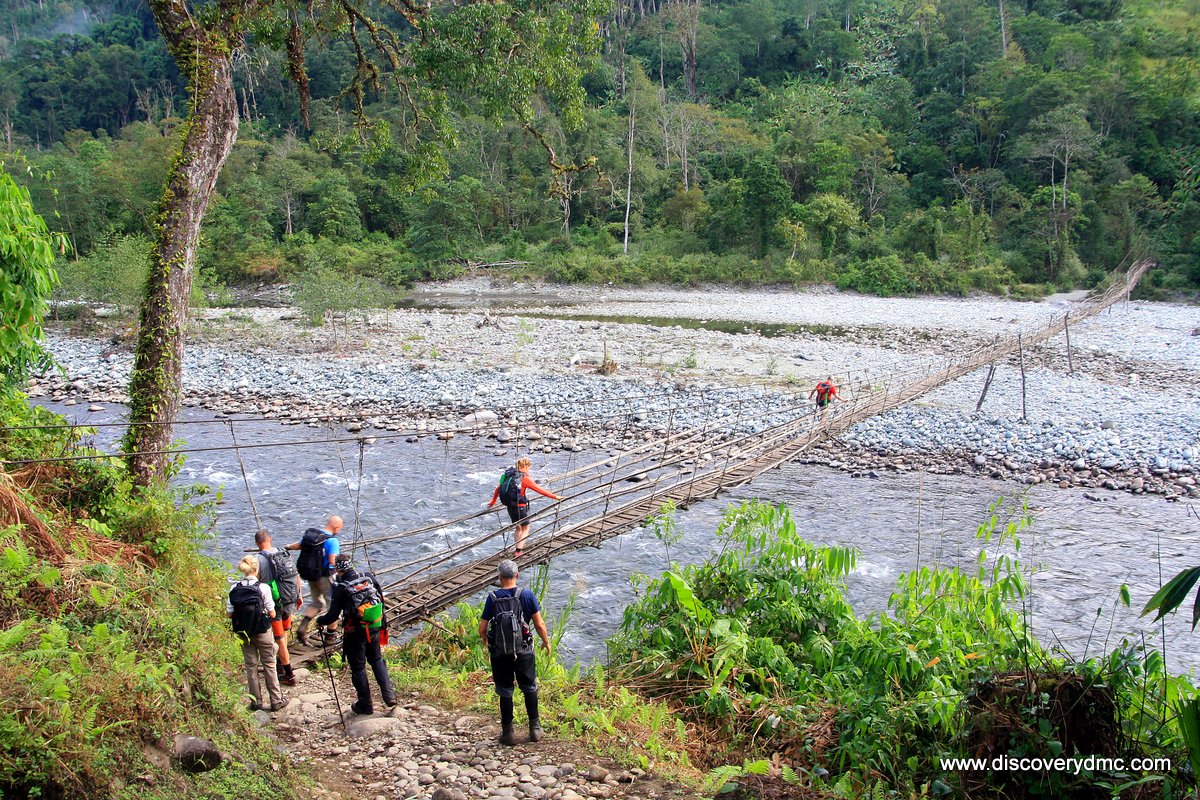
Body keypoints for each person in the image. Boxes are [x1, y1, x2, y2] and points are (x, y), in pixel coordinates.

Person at [477, 559, 551, 745]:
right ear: (517, 575)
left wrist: (486, 641)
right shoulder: (527, 595)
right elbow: (539, 624)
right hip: (524, 650)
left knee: (505, 690)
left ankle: (508, 732)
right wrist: (545, 642)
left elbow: (482, 627)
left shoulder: (493, 598)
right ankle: (534, 729)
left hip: (500, 652)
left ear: (499, 577)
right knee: (529, 687)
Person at [317, 555, 396, 715]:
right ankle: (389, 696)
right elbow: (380, 596)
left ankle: (365, 705)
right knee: (377, 660)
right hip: (374, 625)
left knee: (358, 667)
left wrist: (319, 620)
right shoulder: (368, 576)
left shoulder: (341, 588)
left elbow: (332, 616)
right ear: (351, 565)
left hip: (355, 633)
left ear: (338, 569)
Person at [227, 555, 288, 712]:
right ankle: (276, 700)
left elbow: (229, 613)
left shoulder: (234, 588)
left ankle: (256, 702)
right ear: (257, 569)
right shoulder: (263, 588)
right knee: (269, 664)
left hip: (243, 632)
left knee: (250, 666)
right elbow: (273, 614)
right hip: (262, 631)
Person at [255, 529, 303, 686]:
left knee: (279, 638)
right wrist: (299, 595)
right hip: (290, 598)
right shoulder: (283, 553)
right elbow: (296, 575)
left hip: (275, 603)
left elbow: (257, 582)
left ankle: (288, 674)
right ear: (270, 539)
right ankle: (282, 662)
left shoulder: (258, 560)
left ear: (257, 543)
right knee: (284, 632)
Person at [488, 456, 562, 557]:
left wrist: (493, 501)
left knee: (518, 528)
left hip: (510, 506)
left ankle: (516, 548)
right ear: (526, 466)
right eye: (529, 467)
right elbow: (539, 490)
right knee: (526, 528)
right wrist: (556, 497)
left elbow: (498, 489)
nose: (529, 469)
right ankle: (518, 551)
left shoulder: (508, 476)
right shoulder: (524, 478)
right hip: (521, 506)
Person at [287, 515, 343, 646]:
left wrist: (288, 546)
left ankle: (303, 627)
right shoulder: (332, 541)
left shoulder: (313, 536)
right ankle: (330, 636)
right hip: (325, 577)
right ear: (336, 527)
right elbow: (332, 561)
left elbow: (298, 546)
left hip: (311, 575)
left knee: (317, 603)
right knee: (332, 606)